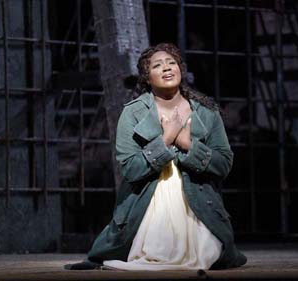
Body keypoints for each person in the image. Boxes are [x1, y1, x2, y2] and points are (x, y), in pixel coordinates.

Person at [66, 43, 247, 270]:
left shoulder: (206, 111)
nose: (167, 68)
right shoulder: (132, 113)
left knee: (205, 255)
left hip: (197, 203)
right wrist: (165, 141)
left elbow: (223, 164)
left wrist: (188, 144)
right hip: (148, 202)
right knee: (154, 252)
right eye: (158, 65)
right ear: (147, 78)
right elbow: (130, 169)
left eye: (172, 63)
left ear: (180, 70)